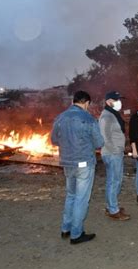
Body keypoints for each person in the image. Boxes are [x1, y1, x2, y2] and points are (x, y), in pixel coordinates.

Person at [51, 90, 104, 244]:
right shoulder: (88, 118)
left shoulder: (60, 118)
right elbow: (99, 143)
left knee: (71, 195)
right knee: (81, 198)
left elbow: (54, 140)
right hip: (84, 163)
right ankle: (76, 234)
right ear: (86, 103)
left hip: (67, 163)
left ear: (73, 101)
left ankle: (65, 228)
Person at [99, 91, 130, 221]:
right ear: (108, 102)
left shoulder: (113, 114)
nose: (119, 102)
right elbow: (104, 137)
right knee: (114, 181)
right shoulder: (106, 116)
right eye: (116, 99)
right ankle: (113, 210)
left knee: (114, 181)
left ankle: (111, 205)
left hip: (115, 153)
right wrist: (115, 150)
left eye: (119, 99)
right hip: (112, 154)